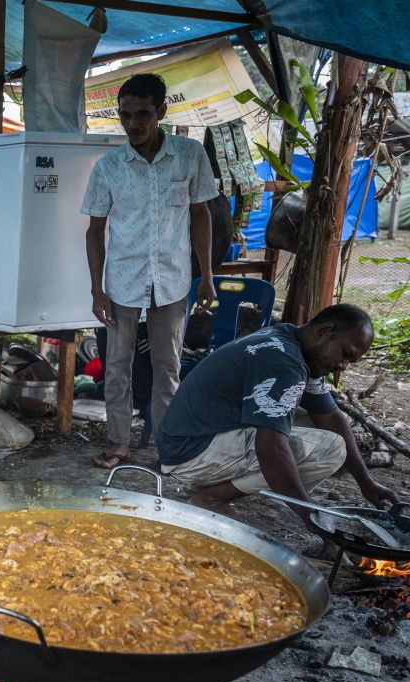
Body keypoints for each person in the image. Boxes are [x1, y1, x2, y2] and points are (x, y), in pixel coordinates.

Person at [82, 73, 219, 469]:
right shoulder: (109, 167)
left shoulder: (190, 155)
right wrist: (96, 289)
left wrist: (207, 276)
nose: (133, 124)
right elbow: (94, 230)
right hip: (122, 281)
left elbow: (201, 215)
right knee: (116, 367)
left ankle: (166, 448)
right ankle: (119, 443)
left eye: (143, 114)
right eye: (126, 116)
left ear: (161, 111)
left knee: (168, 367)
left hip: (173, 280)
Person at [157, 304, 400, 521]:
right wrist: (310, 515)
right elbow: (270, 449)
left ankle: (211, 485)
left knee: (319, 427)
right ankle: (211, 496)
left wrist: (366, 482)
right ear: (324, 331)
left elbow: (330, 417)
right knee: (331, 448)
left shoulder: (292, 342)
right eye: (345, 354)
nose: (343, 367)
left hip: (192, 440)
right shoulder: (284, 361)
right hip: (189, 454)